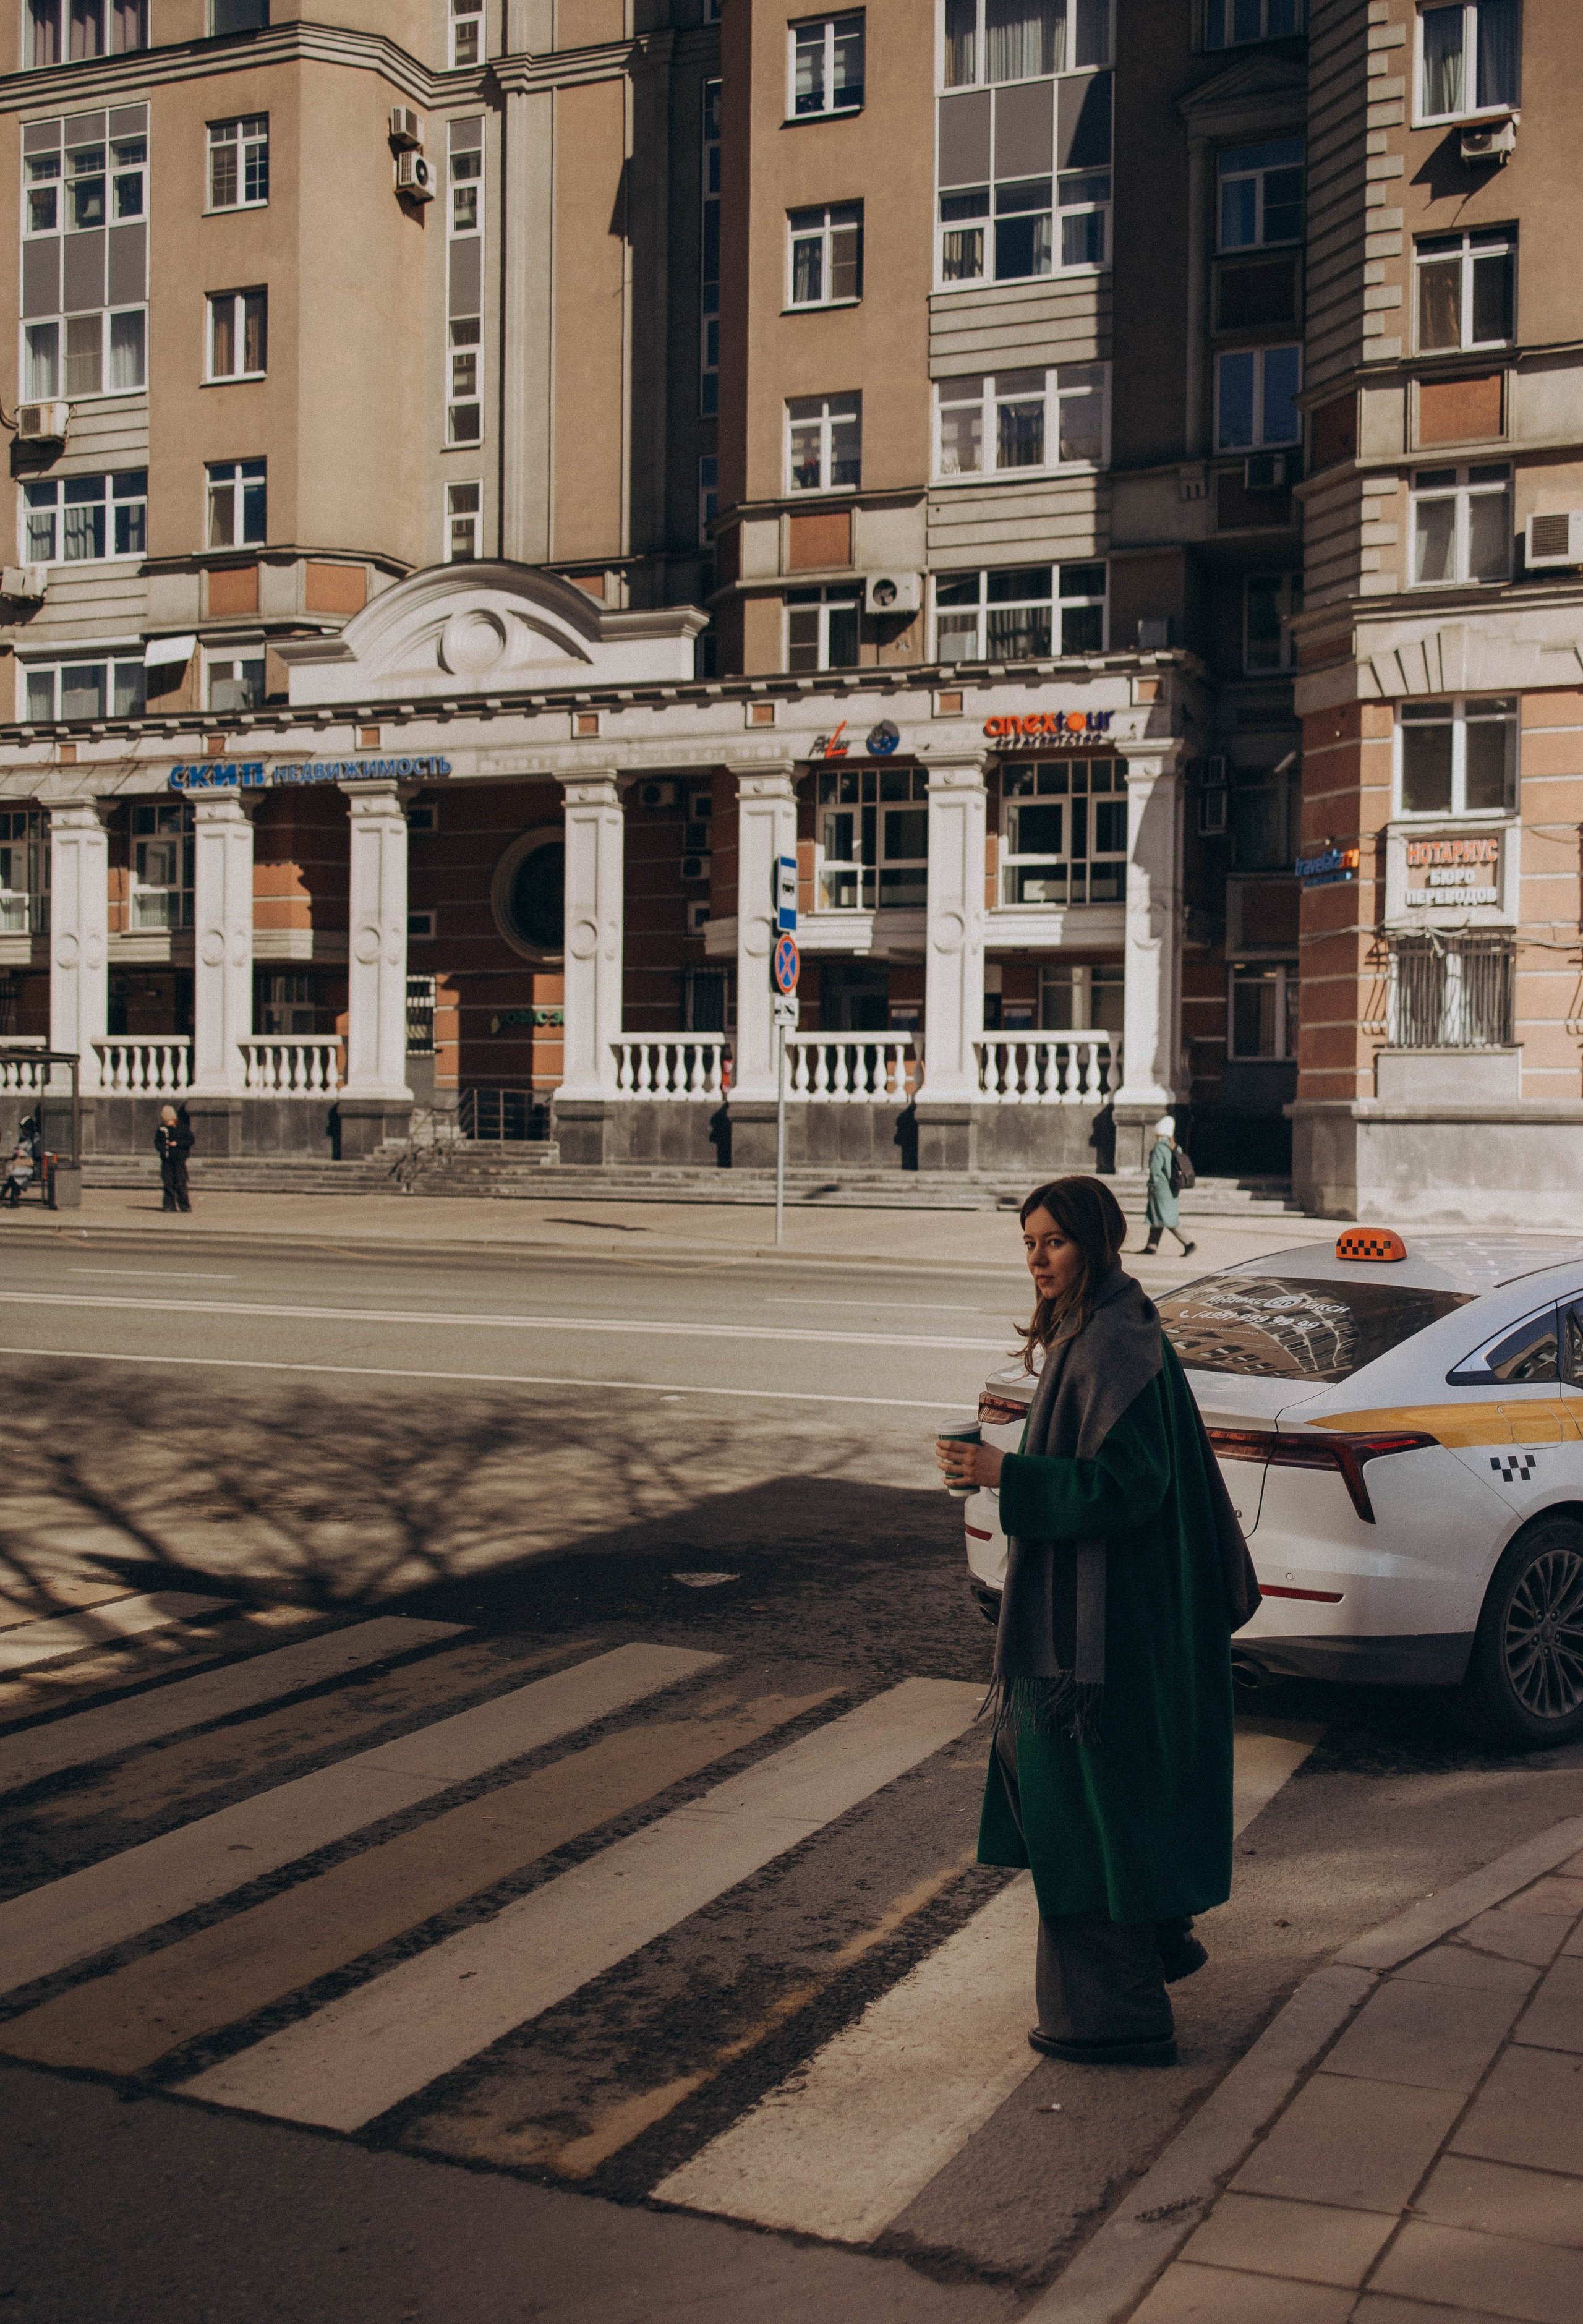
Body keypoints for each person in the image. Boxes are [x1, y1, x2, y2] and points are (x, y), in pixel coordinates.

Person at [936, 1174, 1259, 2068]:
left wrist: (1004, 1476)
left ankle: (1116, 2012)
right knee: (1086, 1791)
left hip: (1112, 1629)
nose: (1038, 1258)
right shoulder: (1102, 1324)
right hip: (1106, 1615)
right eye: (1030, 1242)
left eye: (1055, 1241)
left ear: (1097, 1244)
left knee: (1080, 1801)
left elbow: (1129, 1486)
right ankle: (1157, 1938)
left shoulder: (1112, 1341)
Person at [1143, 1114, 1195, 1258]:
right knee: (1157, 1217)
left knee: (1166, 1218)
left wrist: (1151, 1184)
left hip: (1161, 1188)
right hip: (1173, 1188)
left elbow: (1155, 1170)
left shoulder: (1160, 1147)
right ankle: (1151, 1246)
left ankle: (1188, 1243)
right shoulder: (1175, 1147)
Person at [155, 1103, 193, 1213]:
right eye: (165, 1121)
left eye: (169, 1121)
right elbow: (157, 1144)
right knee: (168, 1183)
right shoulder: (162, 1130)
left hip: (179, 1160)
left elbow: (190, 1140)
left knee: (180, 1183)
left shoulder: (182, 1128)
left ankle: (184, 1205)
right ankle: (169, 1205)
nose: (167, 1123)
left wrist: (177, 1144)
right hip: (167, 1160)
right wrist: (163, 1149)